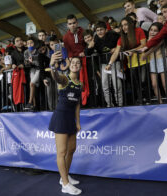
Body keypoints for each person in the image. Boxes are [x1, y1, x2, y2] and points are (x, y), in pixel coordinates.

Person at [48, 52, 82, 195]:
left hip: (71, 120)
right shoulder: (65, 79)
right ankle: (65, 185)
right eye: (73, 62)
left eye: (77, 63)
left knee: (72, 149)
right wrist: (52, 66)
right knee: (61, 152)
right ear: (69, 65)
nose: (75, 64)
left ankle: (65, 176)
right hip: (61, 117)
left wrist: (78, 122)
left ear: (80, 67)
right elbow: (56, 77)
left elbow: (77, 105)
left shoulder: (80, 84)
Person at [85, 21, 122, 107]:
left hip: (115, 62)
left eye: (101, 30)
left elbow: (122, 41)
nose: (99, 32)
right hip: (103, 64)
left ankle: (120, 104)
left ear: (106, 30)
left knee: (117, 85)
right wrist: (89, 47)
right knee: (105, 86)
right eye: (97, 30)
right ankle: (109, 105)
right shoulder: (95, 39)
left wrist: (116, 48)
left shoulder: (113, 35)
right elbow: (87, 53)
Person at [147, 22, 167, 103]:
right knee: (154, 84)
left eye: (155, 31)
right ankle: (160, 102)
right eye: (151, 30)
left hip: (161, 59)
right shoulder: (148, 39)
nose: (152, 32)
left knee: (165, 84)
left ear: (159, 32)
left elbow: (153, 47)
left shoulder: (161, 39)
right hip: (152, 61)